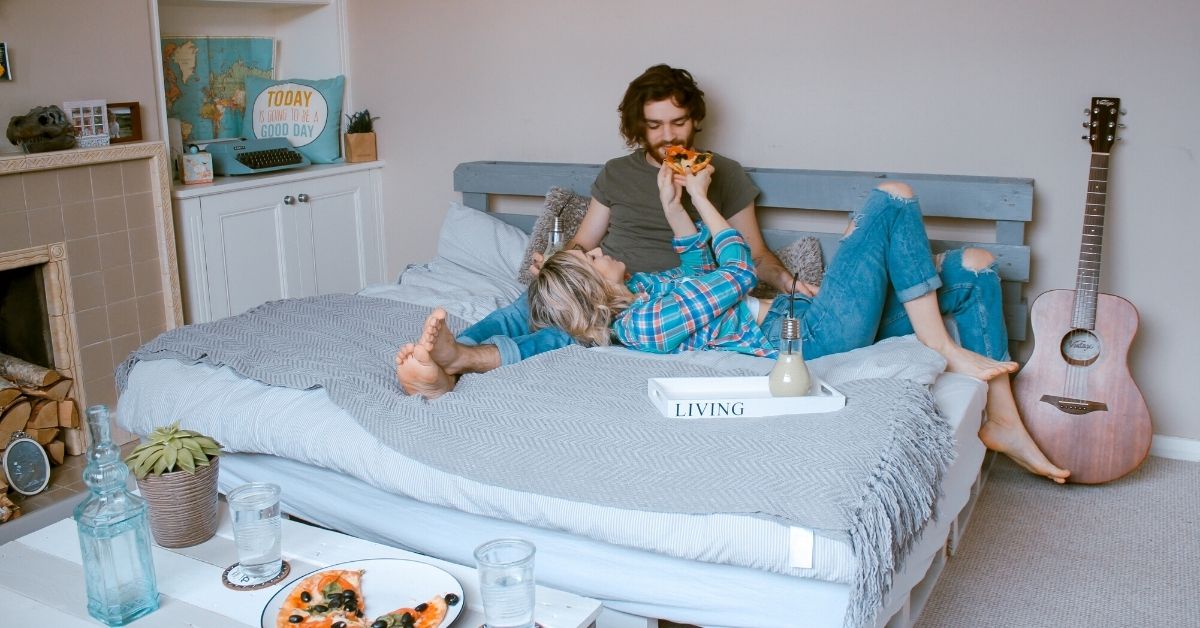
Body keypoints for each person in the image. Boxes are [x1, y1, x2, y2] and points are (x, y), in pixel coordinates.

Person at [398, 161, 1070, 484]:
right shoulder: (646, 327)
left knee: (979, 263)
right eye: (596, 256)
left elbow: (698, 259)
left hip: (811, 312)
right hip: (813, 332)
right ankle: (940, 345)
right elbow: (735, 271)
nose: (602, 249)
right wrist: (704, 203)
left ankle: (1001, 416)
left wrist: (682, 204)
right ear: (592, 289)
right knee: (892, 199)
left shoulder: (649, 287)